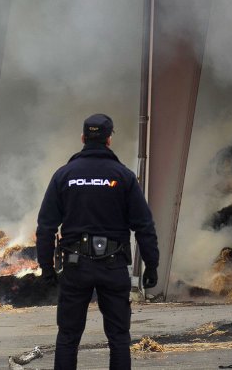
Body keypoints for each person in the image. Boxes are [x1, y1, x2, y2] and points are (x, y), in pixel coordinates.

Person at [35, 114, 159, 370]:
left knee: (68, 337)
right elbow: (144, 226)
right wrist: (152, 264)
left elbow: (46, 227)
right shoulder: (123, 176)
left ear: (83, 138)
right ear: (109, 139)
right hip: (113, 267)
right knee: (119, 338)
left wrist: (46, 267)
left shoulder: (64, 175)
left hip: (75, 266)